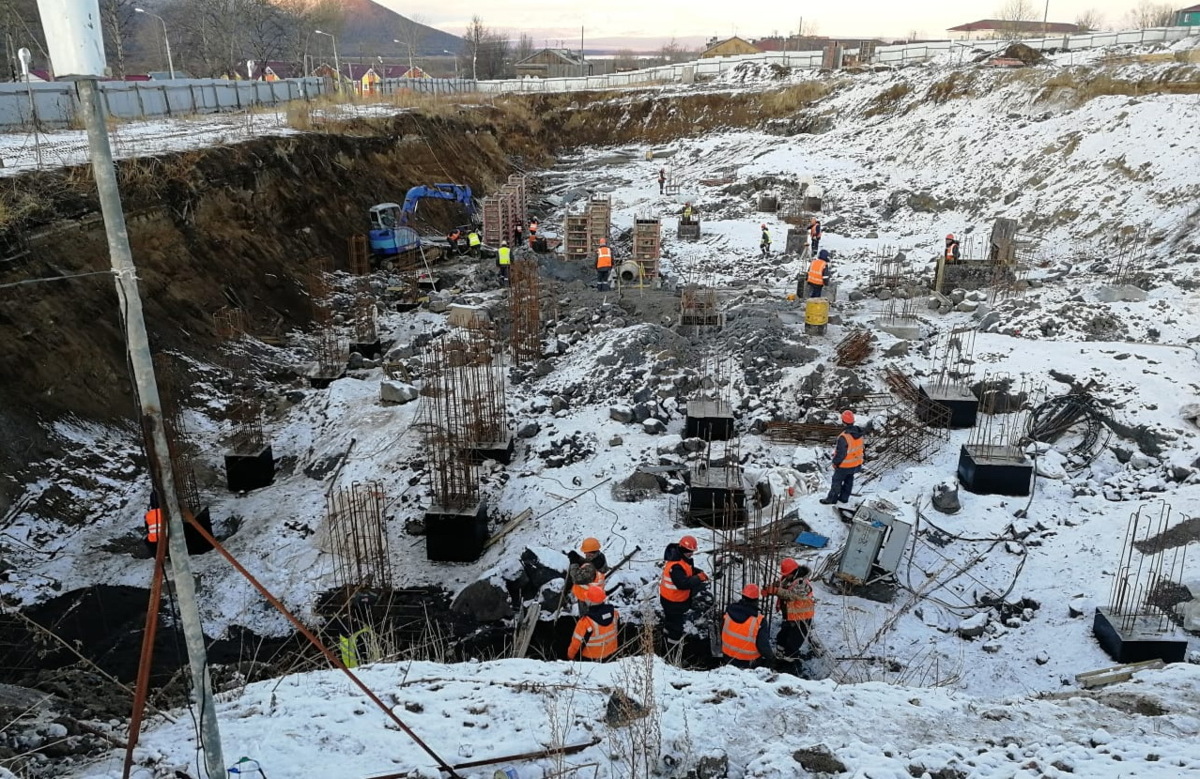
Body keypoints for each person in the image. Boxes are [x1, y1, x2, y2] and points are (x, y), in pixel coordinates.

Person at [764, 559, 815, 673]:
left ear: (794, 571)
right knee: (782, 638)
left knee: (792, 645)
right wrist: (772, 588)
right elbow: (782, 587)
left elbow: (793, 595)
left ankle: (789, 668)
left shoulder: (802, 583)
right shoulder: (788, 578)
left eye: (787, 574)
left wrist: (776, 591)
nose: (786, 576)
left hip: (801, 619)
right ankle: (779, 658)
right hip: (790, 617)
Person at [659, 534, 708, 645]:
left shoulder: (679, 558)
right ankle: (672, 651)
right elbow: (683, 583)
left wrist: (696, 572)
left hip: (668, 599)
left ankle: (665, 638)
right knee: (676, 627)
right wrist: (698, 578)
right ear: (683, 550)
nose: (692, 554)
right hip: (673, 602)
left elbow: (687, 570)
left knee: (669, 622)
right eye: (690, 551)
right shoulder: (676, 566)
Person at [720, 583, 774, 668]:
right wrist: (771, 658)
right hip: (748, 662)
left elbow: (721, 631)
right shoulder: (759, 621)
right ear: (756, 600)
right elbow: (763, 646)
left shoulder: (729, 612)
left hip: (727, 657)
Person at [820, 410, 864, 505]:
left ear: (843, 421)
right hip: (856, 464)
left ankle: (832, 499)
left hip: (845, 465)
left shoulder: (844, 437)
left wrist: (835, 463)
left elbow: (841, 454)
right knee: (849, 481)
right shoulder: (859, 434)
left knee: (836, 481)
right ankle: (844, 498)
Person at [567, 585, 619, 662]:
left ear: (590, 601)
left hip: (590, 660)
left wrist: (570, 658)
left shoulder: (586, 622)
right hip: (611, 655)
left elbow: (576, 645)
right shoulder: (614, 613)